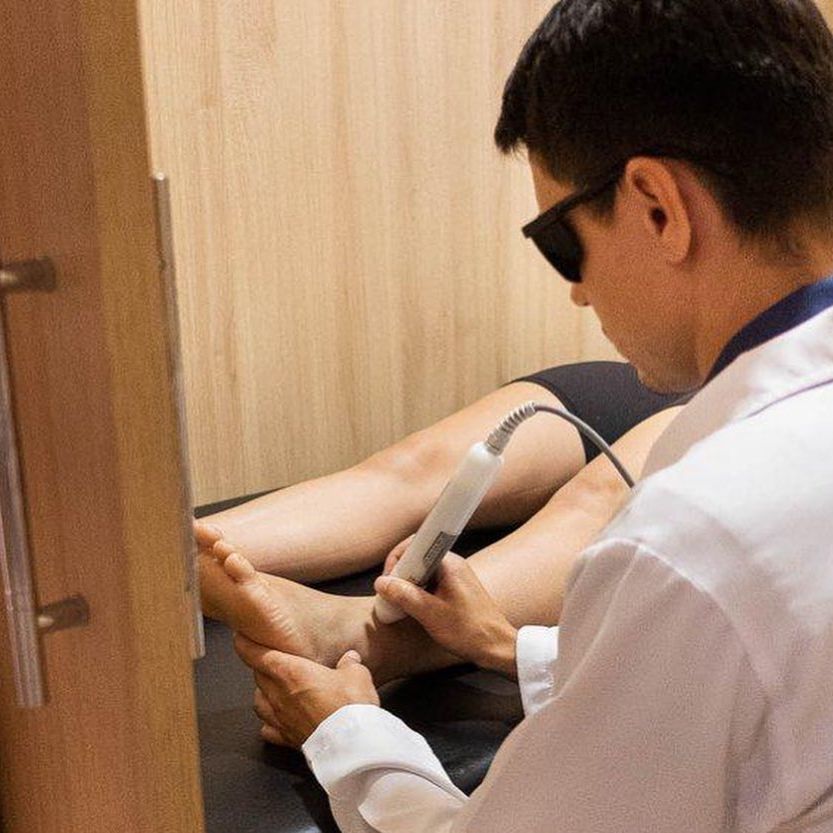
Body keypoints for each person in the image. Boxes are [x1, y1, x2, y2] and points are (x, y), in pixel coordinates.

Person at [228, 0, 833, 831]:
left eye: (560, 242)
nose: (576, 290)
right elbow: (760, 685)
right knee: (413, 471)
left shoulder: (689, 542)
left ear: (658, 207)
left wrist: (345, 732)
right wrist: (509, 646)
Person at [197, 363, 686, 684]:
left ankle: (360, 634)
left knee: (596, 503)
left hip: (725, 396)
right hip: (665, 378)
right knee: (414, 465)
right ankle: (168, 561)